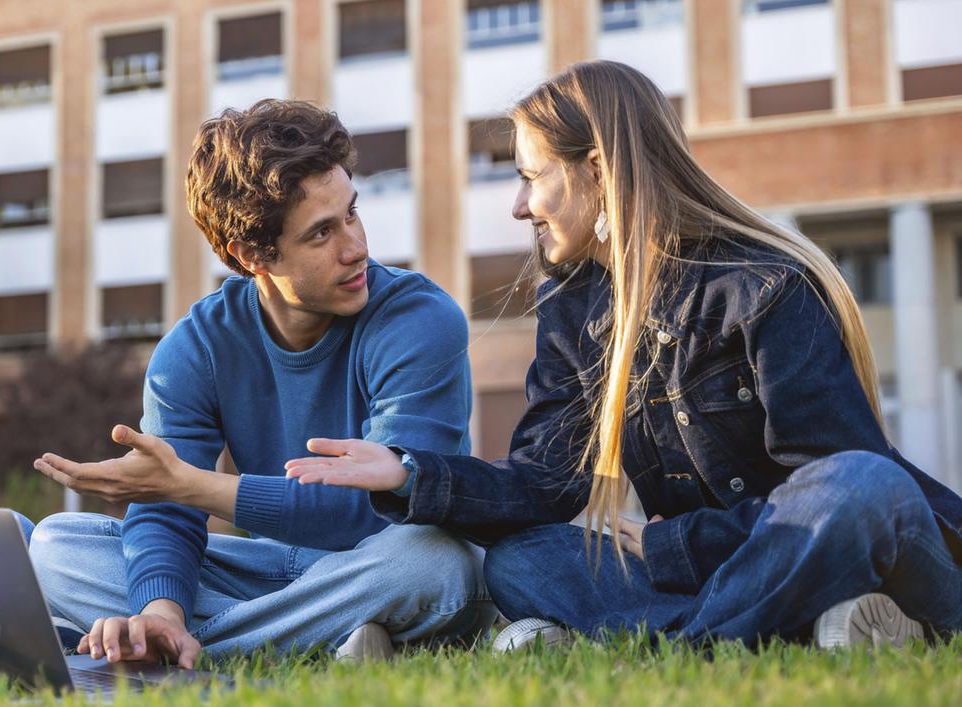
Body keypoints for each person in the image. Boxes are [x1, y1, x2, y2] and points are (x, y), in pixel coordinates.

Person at [284, 60, 962, 650]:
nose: (520, 208)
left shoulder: (763, 287)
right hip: (713, 571)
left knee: (861, 487)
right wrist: (405, 474)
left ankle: (697, 641)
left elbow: (828, 485)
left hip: (831, 544)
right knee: (522, 562)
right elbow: (548, 481)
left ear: (599, 170)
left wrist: (676, 545)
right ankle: (808, 627)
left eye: (530, 177)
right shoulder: (576, 309)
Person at [29, 100, 494, 668]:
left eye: (351, 213)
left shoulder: (419, 319)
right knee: (56, 546)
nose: (356, 247)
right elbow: (164, 506)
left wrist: (188, 485)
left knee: (434, 560)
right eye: (322, 233)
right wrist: (160, 609)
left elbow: (385, 506)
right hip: (278, 572)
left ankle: (207, 652)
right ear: (251, 255)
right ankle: (315, 638)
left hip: (384, 558)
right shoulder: (195, 348)